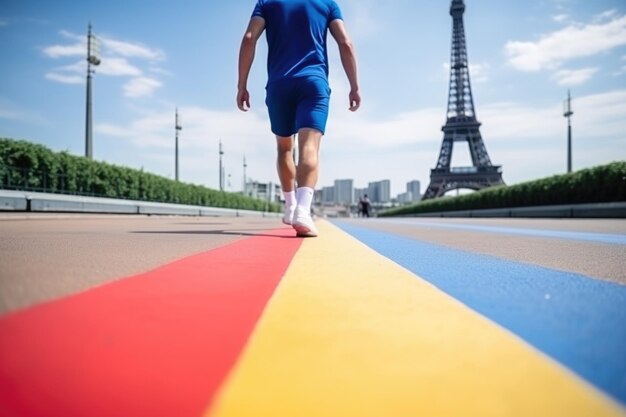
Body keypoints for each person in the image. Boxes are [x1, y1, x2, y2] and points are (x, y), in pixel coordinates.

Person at [237, 0, 361, 237]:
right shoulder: (327, 4)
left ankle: (290, 205)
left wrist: (241, 85)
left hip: (279, 85)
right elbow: (345, 43)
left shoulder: (267, 2)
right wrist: (354, 86)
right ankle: (303, 211)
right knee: (310, 147)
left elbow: (249, 38)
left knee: (284, 147)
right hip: (313, 83)